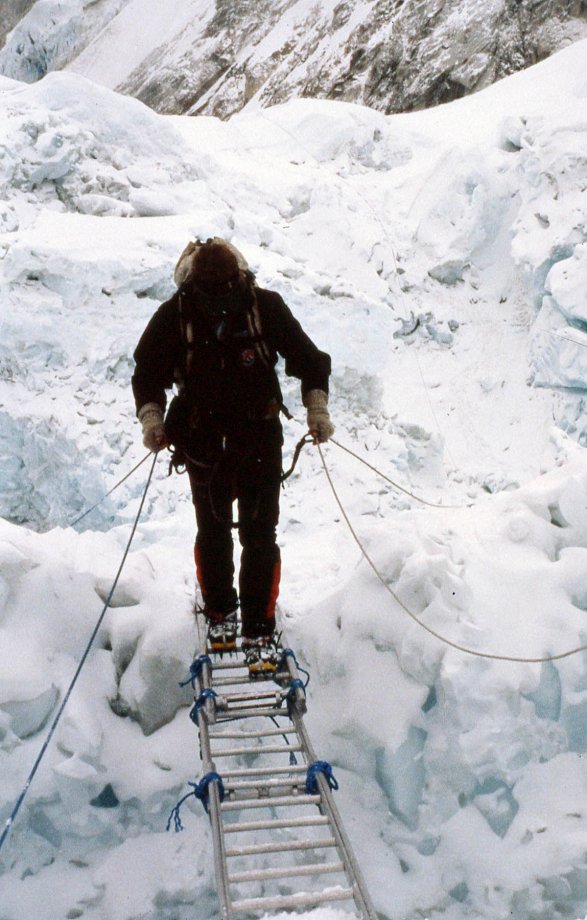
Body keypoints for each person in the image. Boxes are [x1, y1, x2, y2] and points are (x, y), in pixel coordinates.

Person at [132, 238, 334, 677]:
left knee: (250, 533)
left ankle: (250, 626)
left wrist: (316, 407)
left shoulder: (255, 308)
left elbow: (309, 359)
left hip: (246, 438)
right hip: (211, 441)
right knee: (224, 531)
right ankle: (231, 619)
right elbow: (147, 372)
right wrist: (151, 418)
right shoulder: (184, 313)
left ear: (240, 279)